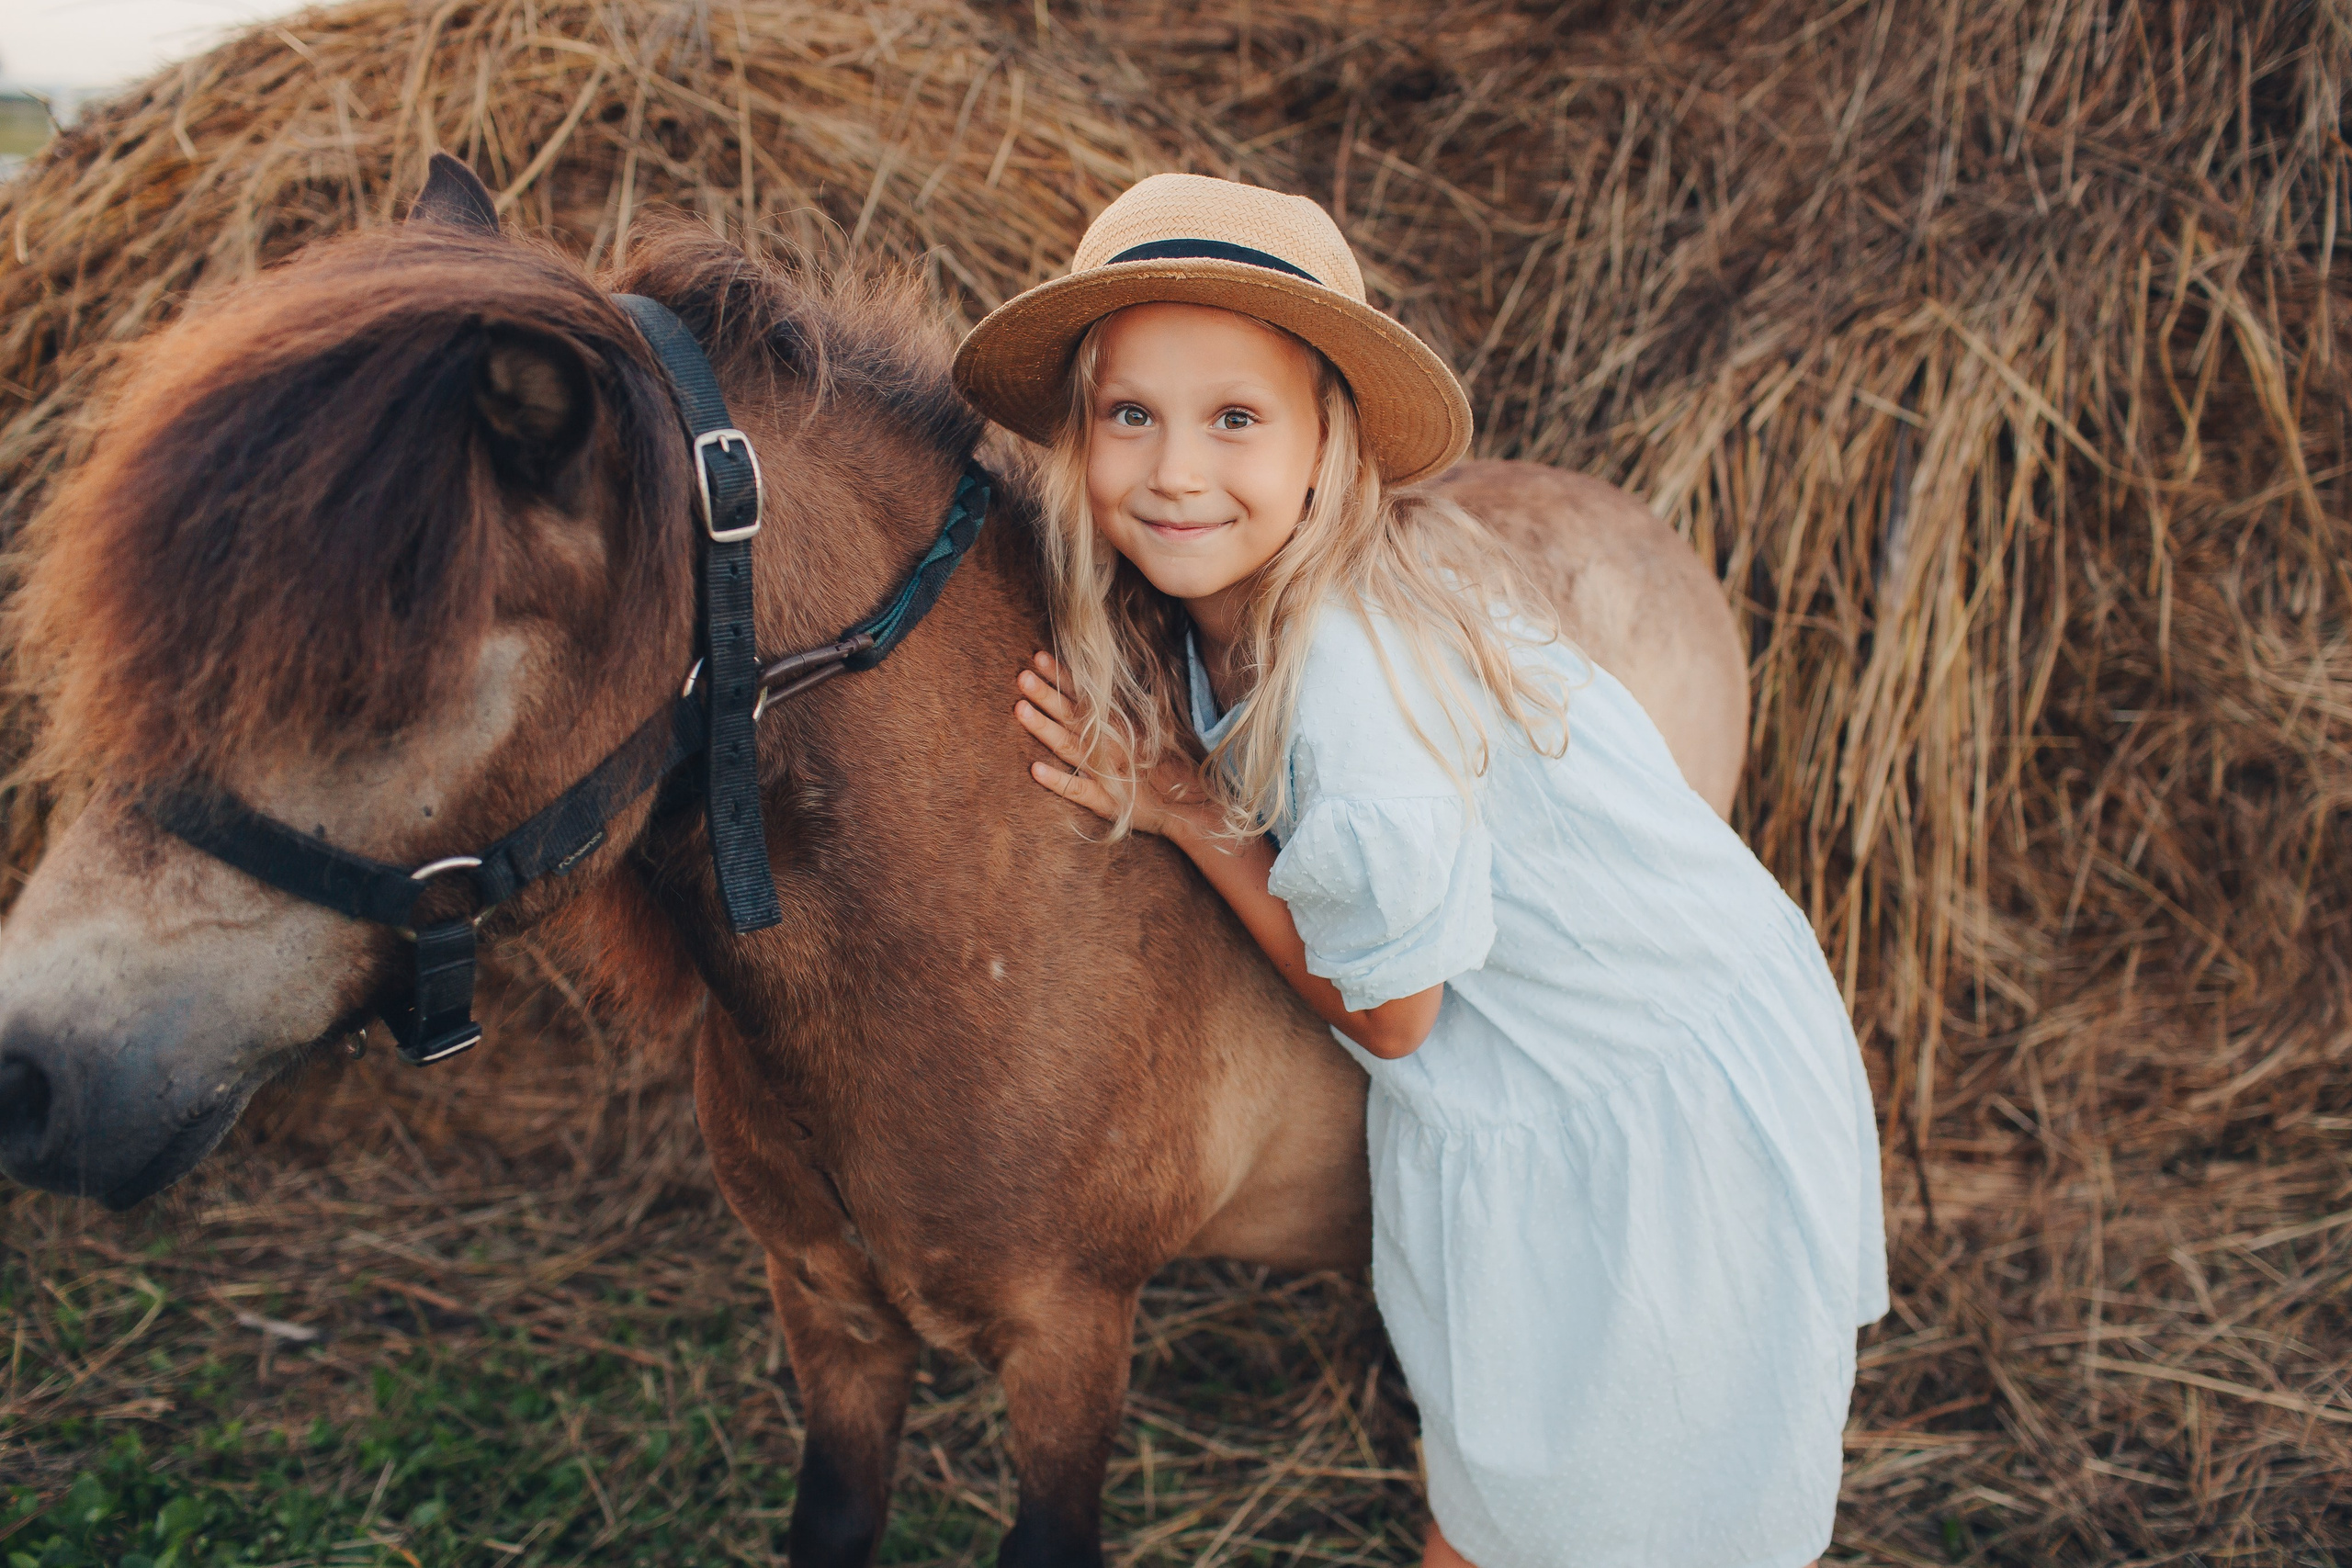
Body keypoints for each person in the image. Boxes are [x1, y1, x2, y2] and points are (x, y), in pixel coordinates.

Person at [952, 173, 1887, 1568]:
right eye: (1129, 414)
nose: (1176, 470)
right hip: (1548, 1096)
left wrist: (1192, 813)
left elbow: (1396, 1017)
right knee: (1510, 1491)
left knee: (1633, 1513)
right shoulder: (1220, 610)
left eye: (1236, 419)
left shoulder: (1346, 680)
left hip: (1650, 1106)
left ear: (1327, 445)